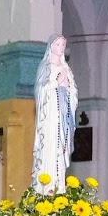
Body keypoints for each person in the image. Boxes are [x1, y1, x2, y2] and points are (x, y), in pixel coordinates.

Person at [31, 35, 76, 191]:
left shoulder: (66, 68)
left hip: (63, 115)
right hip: (50, 115)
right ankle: (46, 187)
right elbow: (39, 90)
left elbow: (73, 93)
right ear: (51, 46)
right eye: (58, 44)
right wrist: (56, 83)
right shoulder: (45, 66)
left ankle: (59, 187)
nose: (61, 48)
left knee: (61, 148)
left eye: (63, 45)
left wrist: (68, 87)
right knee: (50, 147)